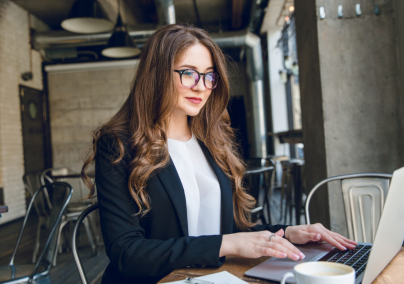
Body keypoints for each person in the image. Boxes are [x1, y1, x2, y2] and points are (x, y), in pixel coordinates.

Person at [81, 24, 357, 284]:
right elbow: (127, 253)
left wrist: (286, 233)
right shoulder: (118, 144)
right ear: (157, 74)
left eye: (208, 75)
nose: (201, 86)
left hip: (214, 277)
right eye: (188, 73)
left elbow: (225, 233)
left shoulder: (211, 141)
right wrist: (228, 243)